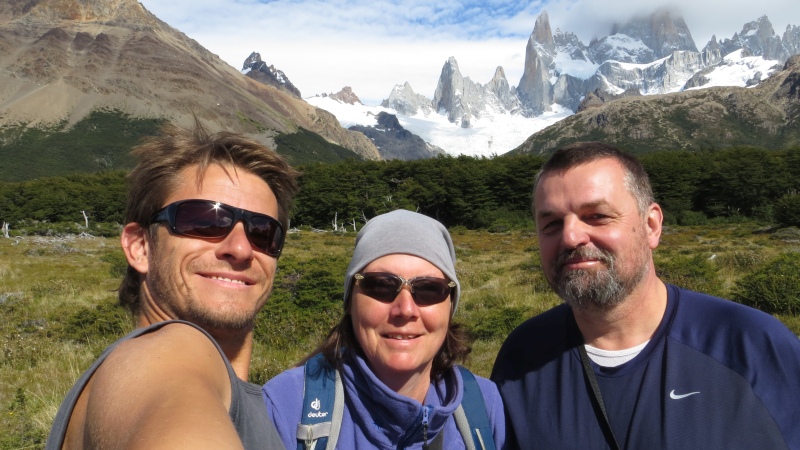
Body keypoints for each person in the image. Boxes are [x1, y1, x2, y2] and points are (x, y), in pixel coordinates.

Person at [491, 142, 800, 450]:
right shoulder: (521, 356)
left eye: (597, 215)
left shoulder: (752, 344)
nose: (570, 236)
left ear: (651, 225)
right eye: (551, 224)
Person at [46, 123, 299, 449]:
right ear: (141, 247)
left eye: (263, 231)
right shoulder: (168, 352)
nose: (240, 248)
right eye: (205, 220)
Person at [263, 209, 506, 450]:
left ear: (450, 305)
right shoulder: (285, 407)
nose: (405, 309)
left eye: (429, 289)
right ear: (350, 302)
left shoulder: (484, 405)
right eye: (381, 286)